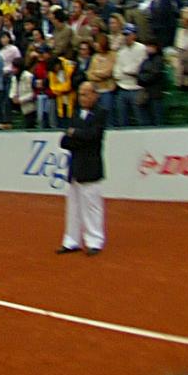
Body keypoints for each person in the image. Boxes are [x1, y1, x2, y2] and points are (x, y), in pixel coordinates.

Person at [58, 84, 108, 256]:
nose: (82, 98)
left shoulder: (100, 113)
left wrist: (75, 134)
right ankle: (71, 240)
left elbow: (93, 136)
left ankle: (95, 240)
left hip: (90, 167)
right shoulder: (76, 114)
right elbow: (64, 141)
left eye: (86, 94)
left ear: (94, 95)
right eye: (80, 94)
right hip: (75, 168)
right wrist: (78, 135)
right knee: (73, 207)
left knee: (92, 206)